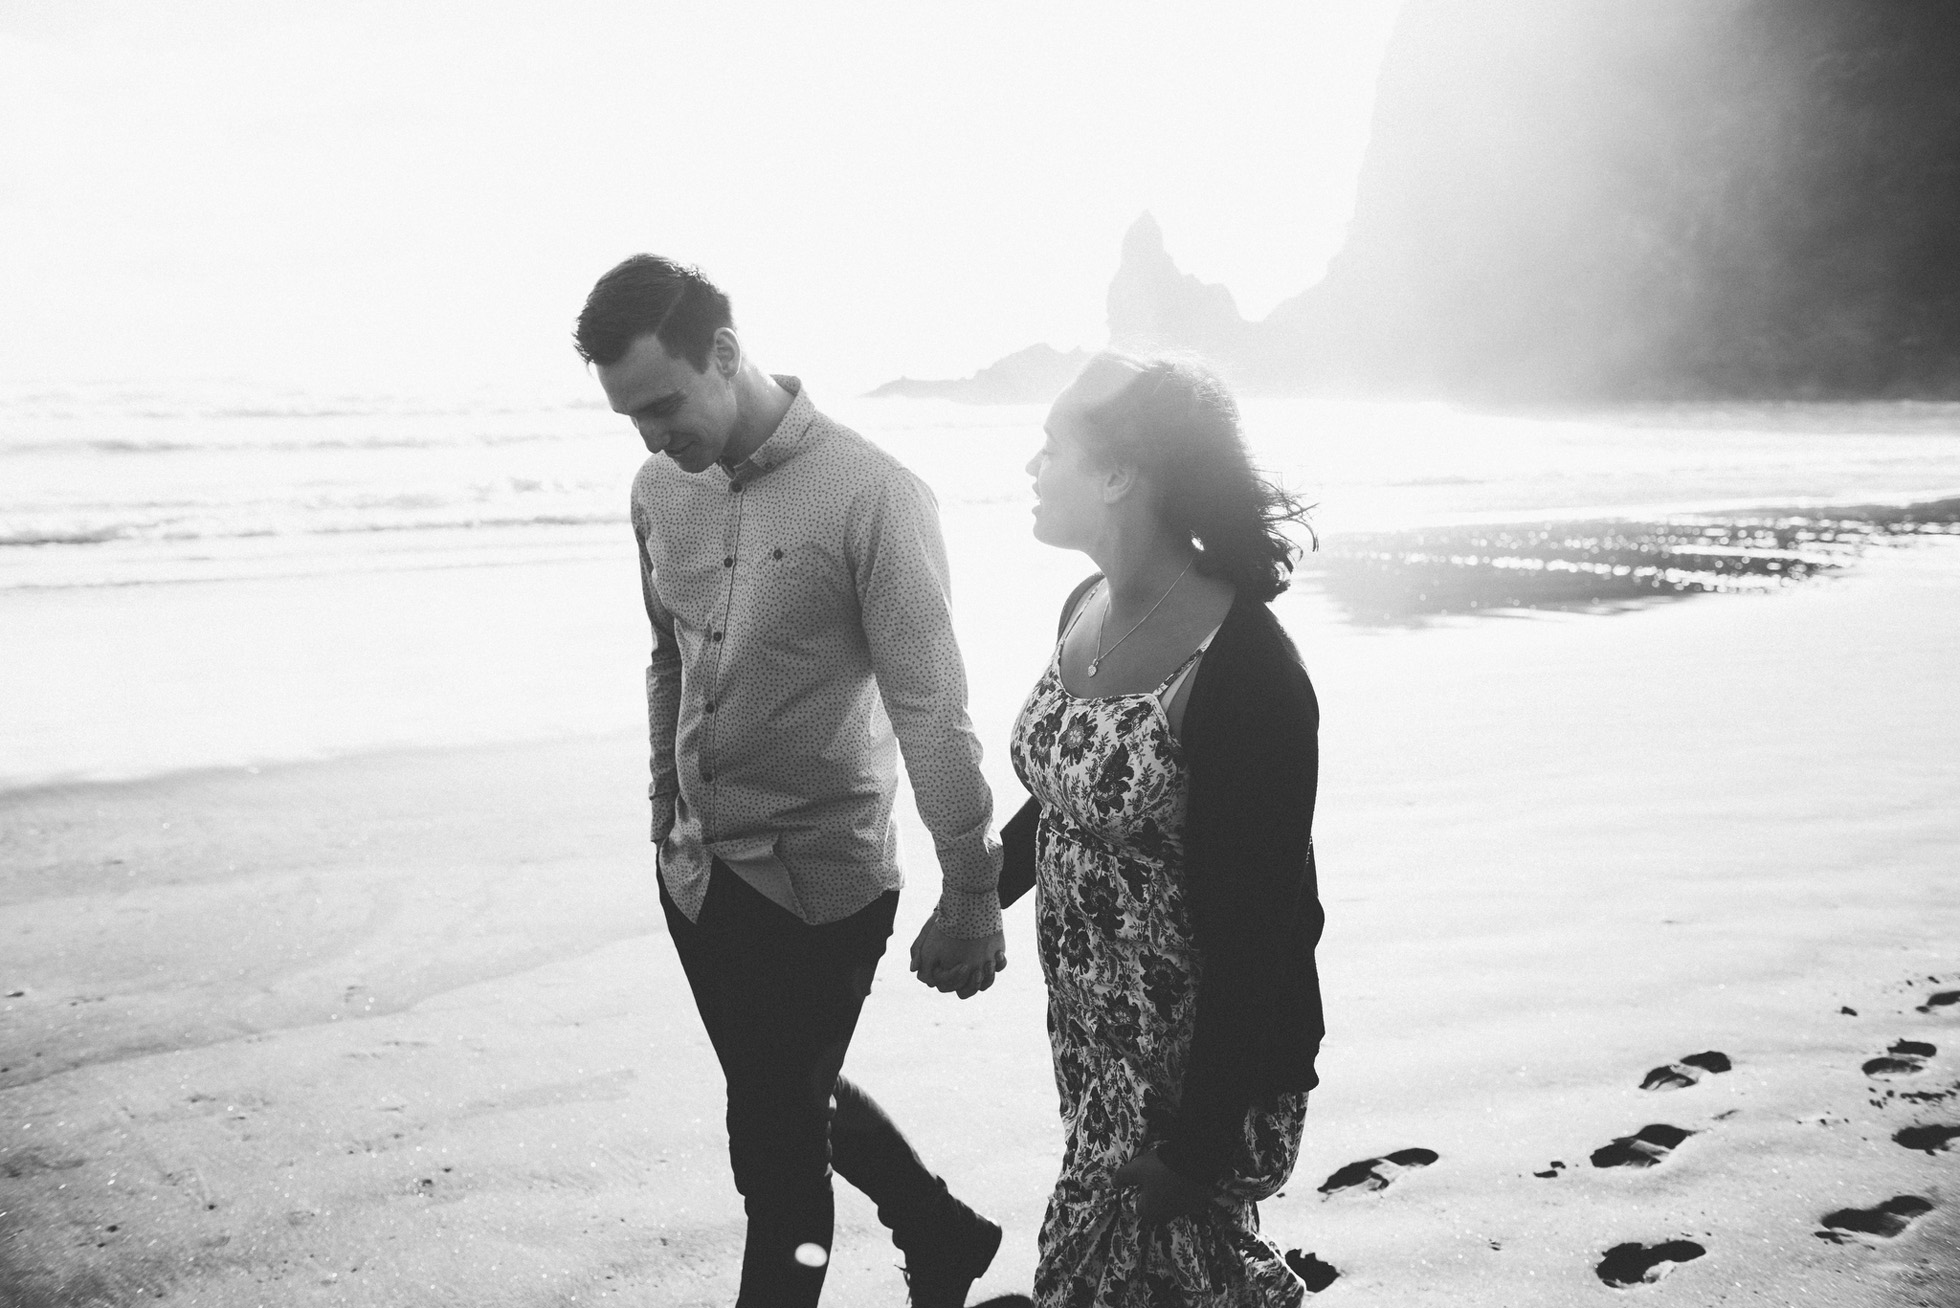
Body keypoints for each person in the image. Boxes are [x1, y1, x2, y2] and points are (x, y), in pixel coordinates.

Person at [575, 254, 1012, 1308]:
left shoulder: (873, 496)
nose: (652, 436)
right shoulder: (655, 490)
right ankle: (937, 1227)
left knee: (771, 1152)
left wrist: (971, 887)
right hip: (693, 875)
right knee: (779, 1096)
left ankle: (915, 1236)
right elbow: (667, 657)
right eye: (629, 416)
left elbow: (930, 705)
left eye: (665, 405)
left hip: (819, 883)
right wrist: (657, 813)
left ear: (723, 354)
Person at [996, 353, 1325, 1306]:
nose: (1031, 466)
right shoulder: (1083, 609)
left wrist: (1197, 1147)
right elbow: (1071, 799)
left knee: (1098, 1277)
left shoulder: (1246, 672)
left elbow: (1263, 929)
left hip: (1188, 1073)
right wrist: (976, 889)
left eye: (1051, 445)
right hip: (1096, 1043)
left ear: (1116, 476)